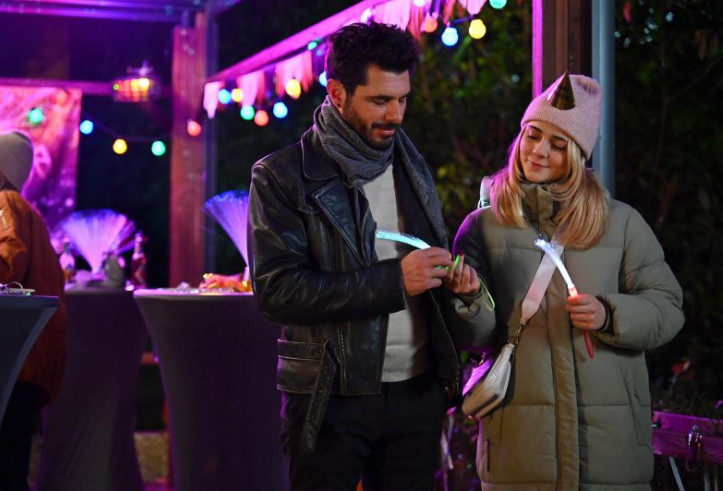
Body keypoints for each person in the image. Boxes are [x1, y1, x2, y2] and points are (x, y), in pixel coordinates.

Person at [248, 22, 478, 490]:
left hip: (416, 392)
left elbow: (425, 274)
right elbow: (277, 292)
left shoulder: (409, 163)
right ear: (336, 93)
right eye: (379, 100)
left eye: (403, 99)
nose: (395, 115)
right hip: (331, 398)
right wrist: (393, 281)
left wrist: (458, 286)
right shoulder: (282, 176)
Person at [446, 73, 684, 489]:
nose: (539, 151)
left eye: (558, 145)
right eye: (533, 135)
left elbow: (668, 308)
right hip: (520, 458)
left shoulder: (621, 223)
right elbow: (475, 339)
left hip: (611, 461)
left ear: (577, 155)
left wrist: (610, 314)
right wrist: (468, 300)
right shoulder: (482, 226)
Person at [0, 129, 67, 490]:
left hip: (13, 360)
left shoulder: (5, 204)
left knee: (2, 463)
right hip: (23, 359)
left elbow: (5, 269)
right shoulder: (13, 206)